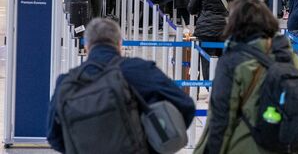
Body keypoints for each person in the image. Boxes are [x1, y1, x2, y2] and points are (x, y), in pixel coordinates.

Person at [47, 19, 195, 153]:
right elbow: (186, 105)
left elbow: (53, 136)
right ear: (120, 44)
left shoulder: (67, 82)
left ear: (86, 46)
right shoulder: (139, 70)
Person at [196, 0, 298, 153]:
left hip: (250, 145)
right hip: (288, 143)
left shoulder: (234, 60)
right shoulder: (292, 57)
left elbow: (221, 119)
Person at [189, 0, 234, 81]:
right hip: (224, 29)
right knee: (223, 60)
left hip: (205, 29)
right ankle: (221, 87)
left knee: (206, 59)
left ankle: (209, 87)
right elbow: (234, 9)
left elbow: (191, 9)